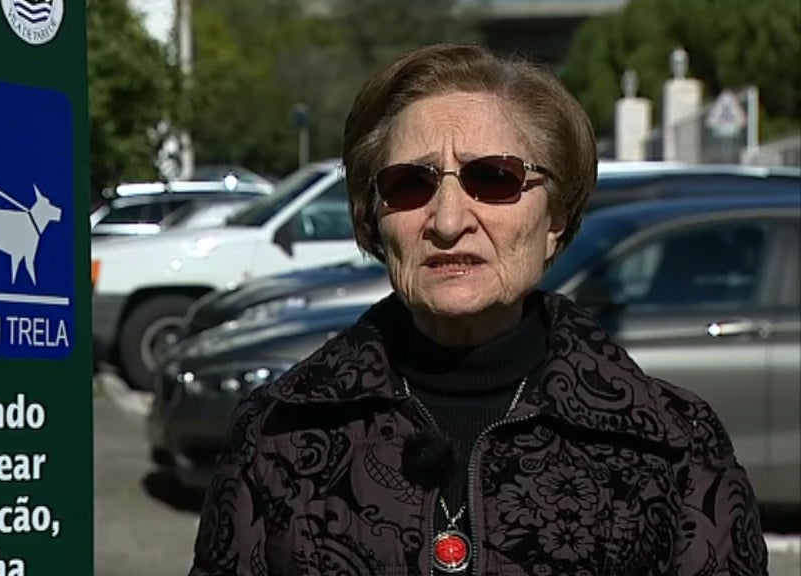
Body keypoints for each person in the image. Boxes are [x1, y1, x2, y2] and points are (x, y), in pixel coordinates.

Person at [188, 44, 767, 576]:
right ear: (374, 220)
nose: (447, 221)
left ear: (555, 218)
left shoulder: (671, 446)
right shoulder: (282, 432)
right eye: (409, 185)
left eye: (493, 178)